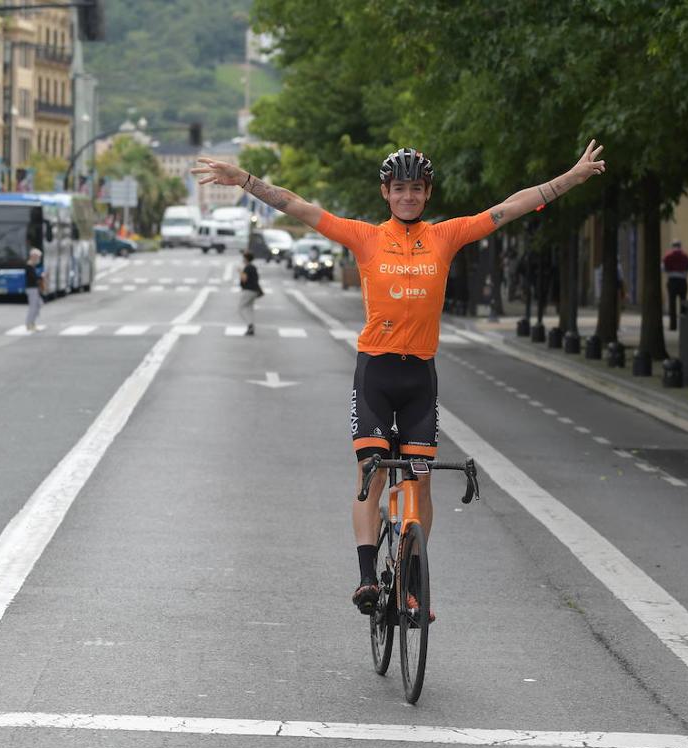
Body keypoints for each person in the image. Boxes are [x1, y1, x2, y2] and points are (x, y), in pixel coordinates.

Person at [192, 142, 607, 618]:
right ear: (386, 194)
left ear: (427, 194)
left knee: (420, 482)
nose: (408, 196)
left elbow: (510, 208)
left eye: (416, 188)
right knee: (370, 473)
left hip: (420, 378)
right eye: (399, 188)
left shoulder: (446, 236)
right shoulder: (365, 237)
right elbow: (298, 206)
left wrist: (571, 178)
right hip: (376, 371)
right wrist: (245, 181)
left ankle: (411, 581)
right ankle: (367, 578)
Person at [662, 239, 688, 331]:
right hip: (682, 280)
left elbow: (663, 268)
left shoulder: (667, 256)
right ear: (680, 246)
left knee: (672, 303)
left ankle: (673, 325)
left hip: (672, 280)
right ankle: (684, 324)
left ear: (672, 246)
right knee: (683, 302)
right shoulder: (686, 256)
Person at [238, 250, 262, 335]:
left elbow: (244, 279)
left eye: (244, 258)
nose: (243, 260)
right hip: (254, 290)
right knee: (249, 308)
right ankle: (251, 326)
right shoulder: (253, 267)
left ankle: (250, 325)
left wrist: (240, 272)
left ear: (246, 259)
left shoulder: (248, 267)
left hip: (248, 290)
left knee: (241, 308)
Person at [24, 248, 45, 332]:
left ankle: (32, 322)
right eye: (37, 257)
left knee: (39, 304)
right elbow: (33, 278)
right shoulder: (29, 266)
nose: (38, 259)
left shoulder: (32, 266)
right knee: (33, 307)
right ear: (33, 256)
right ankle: (30, 324)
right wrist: (41, 277)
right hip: (31, 289)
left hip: (34, 288)